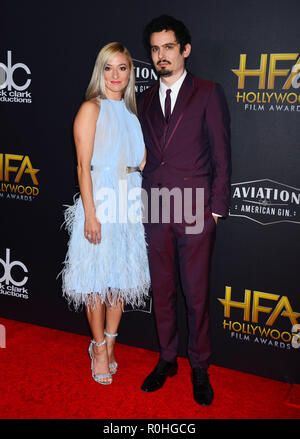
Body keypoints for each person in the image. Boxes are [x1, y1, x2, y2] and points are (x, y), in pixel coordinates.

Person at [137, 15, 231, 405]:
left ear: (185, 50)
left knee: (195, 294)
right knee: (162, 291)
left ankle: (199, 366)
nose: (161, 55)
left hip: (195, 210)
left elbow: (222, 155)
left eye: (168, 47)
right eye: (155, 49)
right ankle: (167, 358)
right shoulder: (141, 99)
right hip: (154, 207)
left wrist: (216, 211)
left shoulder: (208, 92)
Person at [61, 42, 150, 385]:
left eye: (123, 68)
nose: (115, 75)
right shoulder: (91, 109)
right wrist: (90, 214)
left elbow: (140, 162)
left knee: (120, 279)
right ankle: (97, 347)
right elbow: (83, 167)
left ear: (130, 73)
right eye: (109, 68)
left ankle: (112, 342)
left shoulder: (132, 115)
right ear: (101, 71)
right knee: (95, 281)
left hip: (128, 206)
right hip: (99, 203)